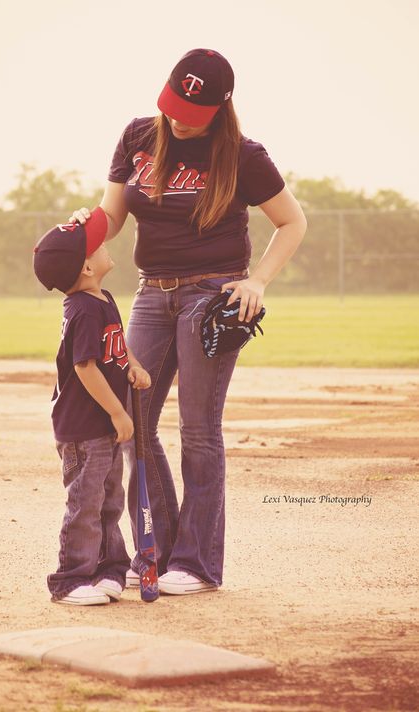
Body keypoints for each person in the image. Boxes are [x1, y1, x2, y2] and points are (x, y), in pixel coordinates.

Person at [70, 48, 307, 595]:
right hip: (152, 294)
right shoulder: (137, 136)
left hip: (212, 294)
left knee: (199, 431)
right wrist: (85, 226)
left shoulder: (244, 155)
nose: (178, 117)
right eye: (174, 103)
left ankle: (197, 563)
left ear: (221, 107)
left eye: (192, 110)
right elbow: (112, 215)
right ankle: (157, 549)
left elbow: (292, 222)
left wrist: (258, 281)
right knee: (132, 422)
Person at [33, 207, 151, 605]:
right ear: (86, 267)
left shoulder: (102, 298)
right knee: (86, 503)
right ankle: (70, 580)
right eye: (97, 245)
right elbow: (85, 367)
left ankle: (109, 569)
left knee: (109, 500)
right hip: (84, 430)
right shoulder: (82, 310)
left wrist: (132, 364)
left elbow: (114, 346)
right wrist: (119, 411)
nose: (105, 245)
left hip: (102, 427)